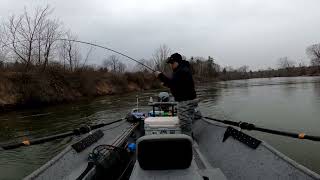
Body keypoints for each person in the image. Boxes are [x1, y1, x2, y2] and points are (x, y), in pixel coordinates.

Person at [155, 53, 199, 136]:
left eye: (172, 63)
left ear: (177, 62)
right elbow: (177, 85)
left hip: (185, 102)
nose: (171, 65)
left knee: (185, 125)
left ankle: (188, 143)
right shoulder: (184, 69)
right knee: (189, 121)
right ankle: (191, 137)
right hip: (190, 100)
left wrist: (160, 75)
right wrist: (166, 83)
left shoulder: (181, 71)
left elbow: (173, 83)